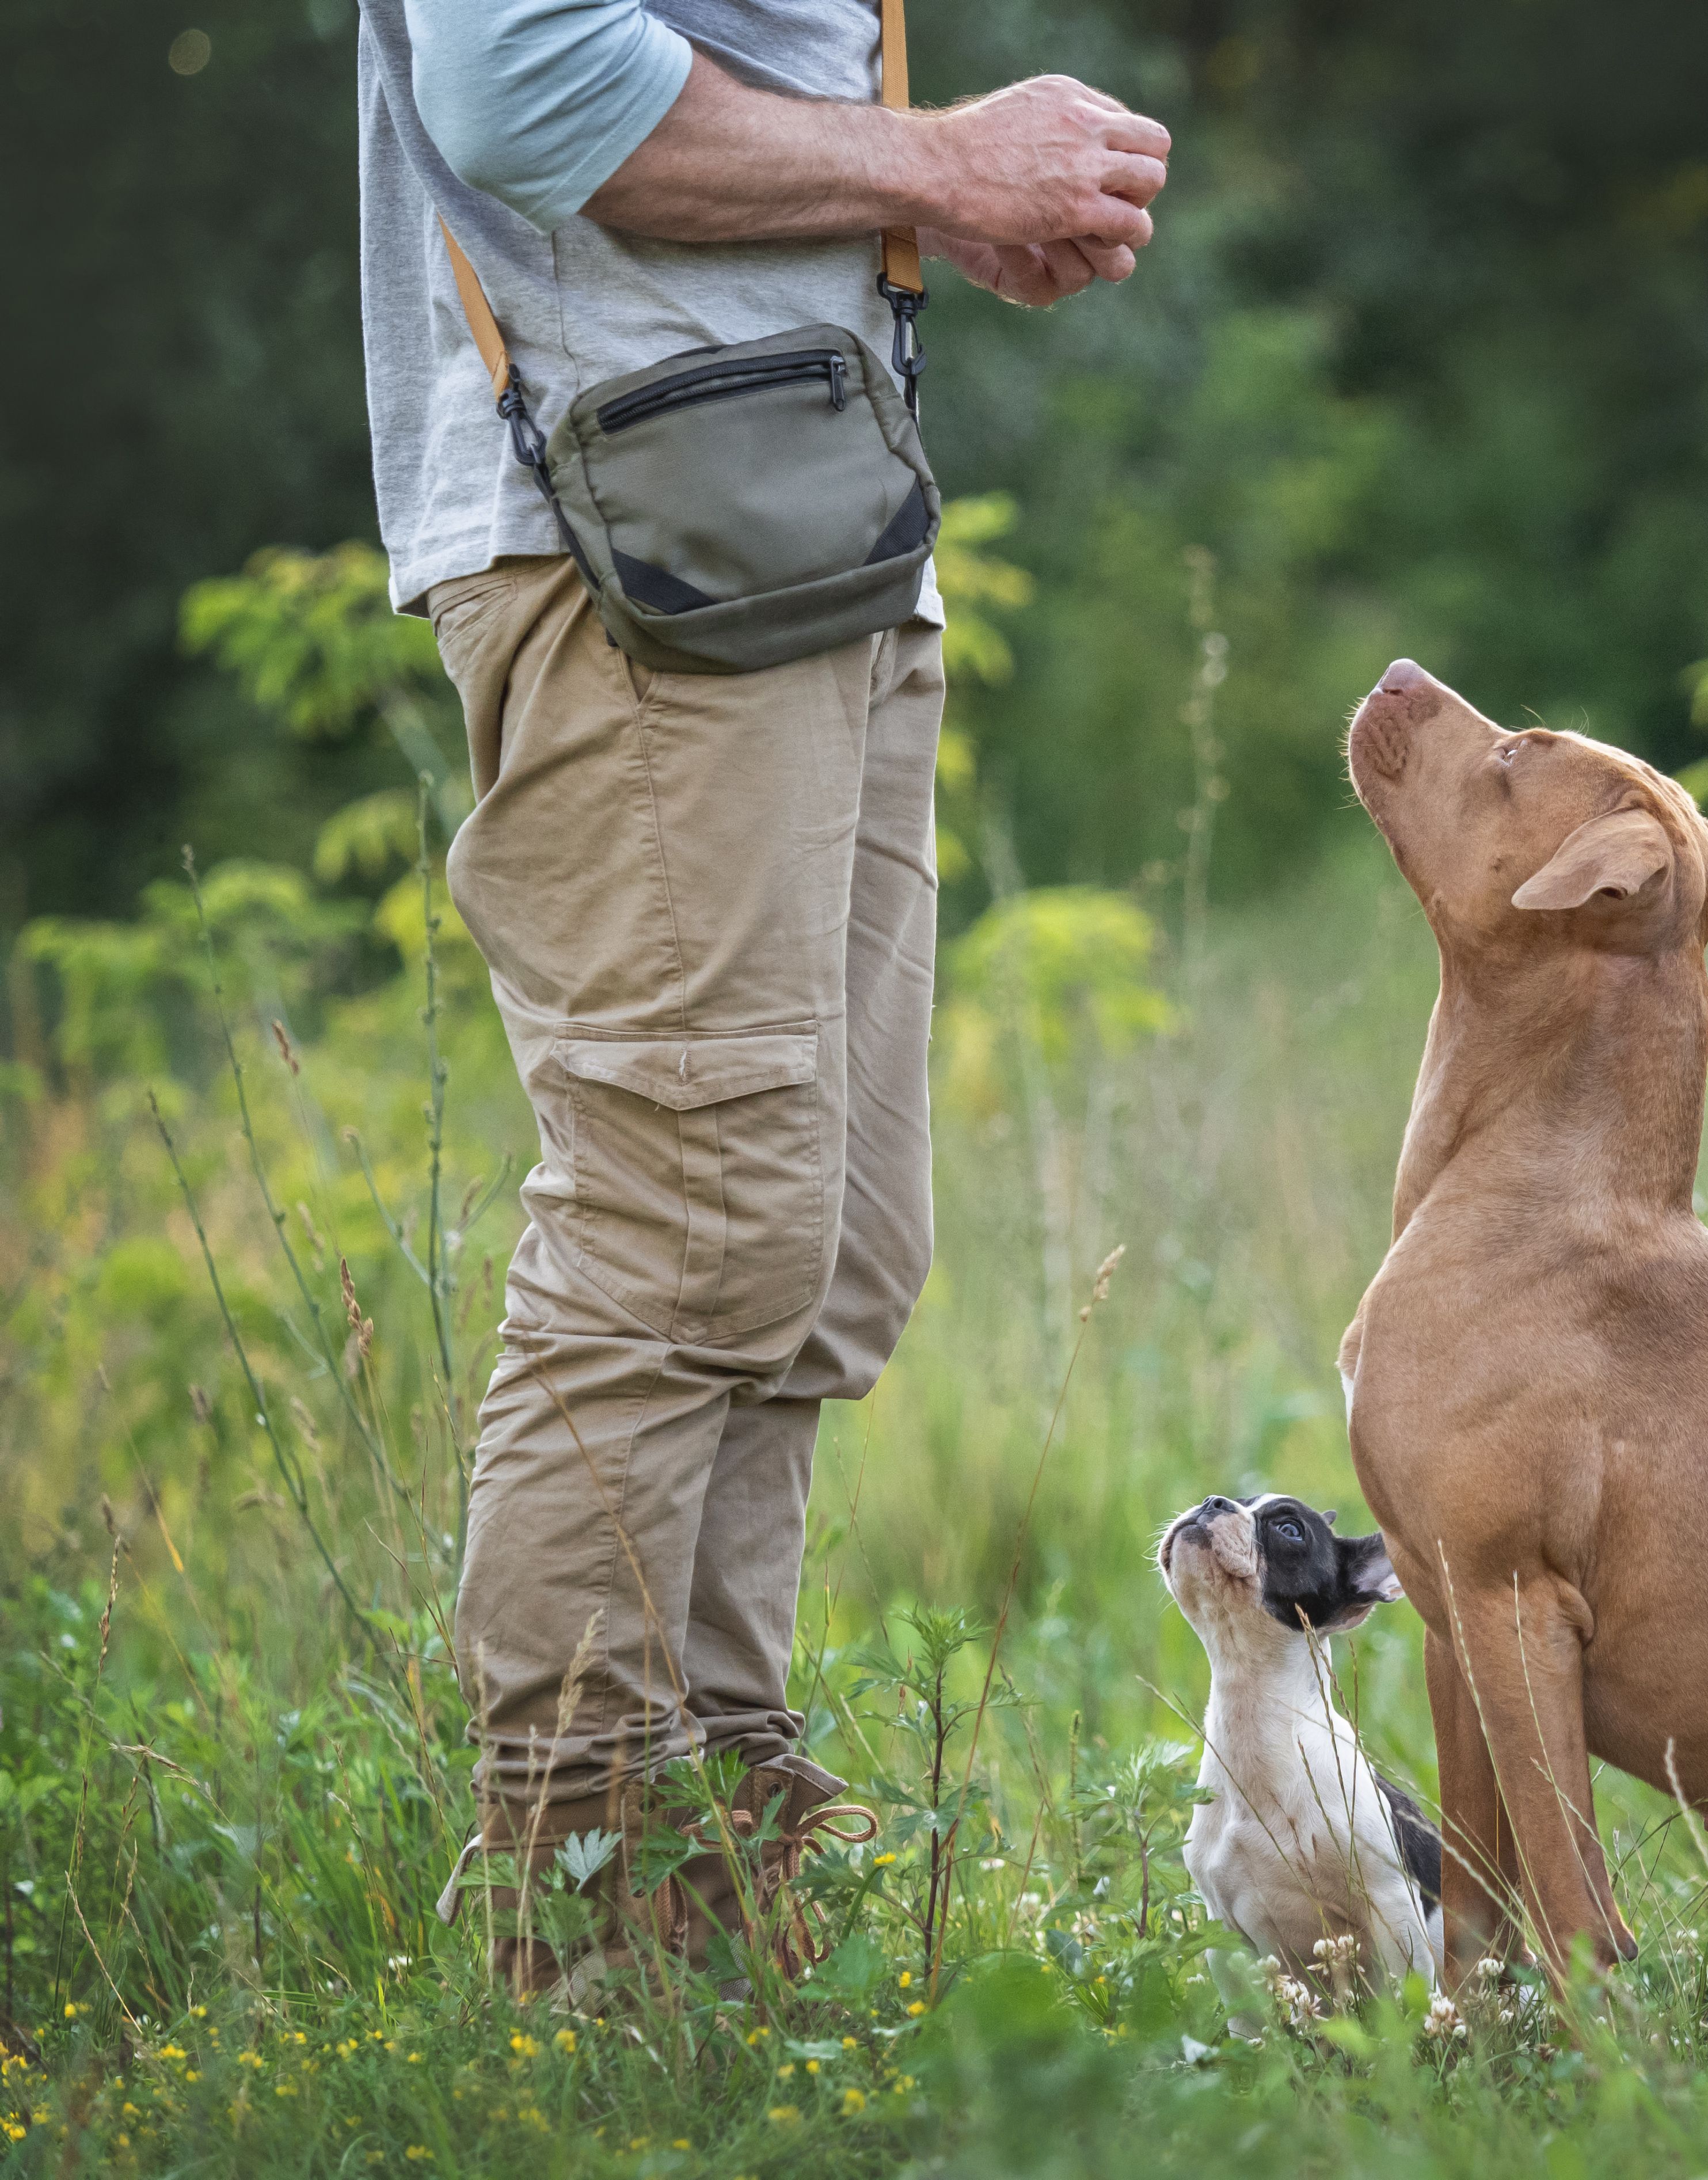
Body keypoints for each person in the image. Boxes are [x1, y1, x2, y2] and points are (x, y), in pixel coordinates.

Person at [362, 0, 1169, 1997]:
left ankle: (713, 1868)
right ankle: (575, 1926)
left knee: (820, 1258)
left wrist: (911, 213)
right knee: (683, 1235)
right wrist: (937, 159)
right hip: (634, 535)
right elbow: (522, 81)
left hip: (811, 514)